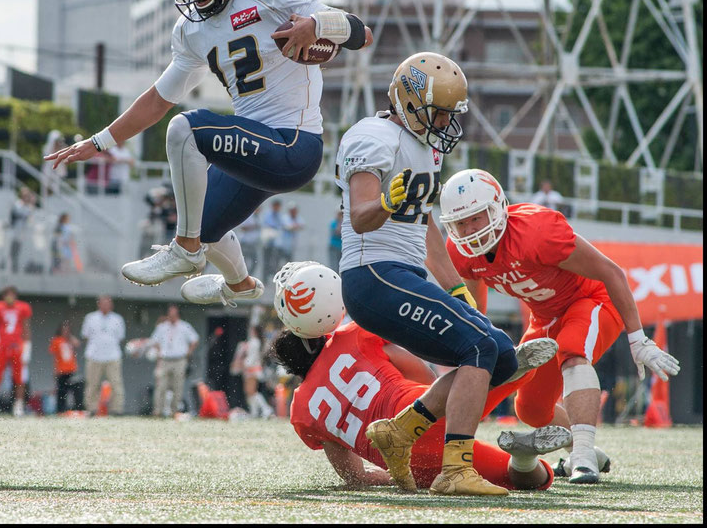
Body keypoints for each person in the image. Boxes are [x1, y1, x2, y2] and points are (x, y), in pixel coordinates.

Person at [45, 0, 373, 308]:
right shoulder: (191, 31)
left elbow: (361, 34)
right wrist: (98, 142)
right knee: (204, 221)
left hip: (295, 144)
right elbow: (157, 99)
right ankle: (237, 283)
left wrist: (315, 24)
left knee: (187, 129)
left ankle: (184, 250)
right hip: (255, 146)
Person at [333, 52, 559, 496]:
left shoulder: (425, 146)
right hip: (371, 275)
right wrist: (384, 204)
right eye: (438, 112)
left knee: (501, 354)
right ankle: (456, 469)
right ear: (410, 102)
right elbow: (360, 217)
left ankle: (399, 433)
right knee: (476, 345)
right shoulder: (373, 136)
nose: (444, 122)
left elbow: (424, 225)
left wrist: (453, 283)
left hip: (402, 272)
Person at [439, 168, 681, 484]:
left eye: (477, 217)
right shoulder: (459, 252)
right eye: (461, 222)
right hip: (545, 317)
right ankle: (586, 449)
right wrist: (479, 340)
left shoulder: (535, 230)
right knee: (530, 407)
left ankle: (581, 458)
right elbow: (475, 297)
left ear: (496, 208)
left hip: (592, 298)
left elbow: (611, 272)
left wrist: (638, 339)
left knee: (573, 351)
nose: (470, 229)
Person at [272, 320, 568, 492]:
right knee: (475, 376)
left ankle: (523, 459)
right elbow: (421, 372)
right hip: (416, 411)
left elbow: (355, 477)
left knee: (520, 480)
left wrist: (392, 476)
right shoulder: (349, 337)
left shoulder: (302, 411)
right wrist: (436, 397)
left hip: (412, 462)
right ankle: (508, 373)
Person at [0, 286, 32, 417]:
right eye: (7, 294)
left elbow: (26, 327)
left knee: (19, 378)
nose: (10, 297)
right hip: (2, 347)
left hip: (17, 346)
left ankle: (19, 405)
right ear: (3, 296)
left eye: (12, 294)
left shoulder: (23, 307)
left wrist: (27, 346)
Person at [147, 304, 199, 417]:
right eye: (170, 314)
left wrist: (188, 352)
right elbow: (154, 341)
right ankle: (158, 411)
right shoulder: (162, 327)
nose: (172, 316)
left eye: (174, 314)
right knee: (161, 386)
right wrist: (159, 353)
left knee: (178, 386)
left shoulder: (185, 326)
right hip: (165, 360)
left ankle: (174, 411)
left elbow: (195, 340)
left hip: (179, 360)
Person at [81, 296, 126, 416]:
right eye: (103, 303)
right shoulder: (90, 318)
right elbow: (85, 336)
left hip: (113, 356)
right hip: (94, 356)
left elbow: (120, 337)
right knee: (92, 384)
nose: (105, 305)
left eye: (108, 303)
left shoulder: (118, 319)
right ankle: (92, 409)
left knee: (116, 384)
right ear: (98, 304)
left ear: (111, 305)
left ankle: (116, 410)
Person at [230, 324, 273, 418]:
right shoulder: (255, 342)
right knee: (249, 393)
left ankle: (266, 409)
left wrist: (244, 364)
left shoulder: (254, 342)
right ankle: (255, 412)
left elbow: (251, 358)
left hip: (252, 370)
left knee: (251, 392)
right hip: (250, 369)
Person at [49, 321, 84, 413]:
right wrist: (55, 371)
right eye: (64, 329)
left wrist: (70, 336)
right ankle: (60, 410)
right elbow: (54, 357)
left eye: (67, 330)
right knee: (61, 392)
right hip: (61, 371)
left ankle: (78, 409)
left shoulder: (70, 340)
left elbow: (78, 344)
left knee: (76, 391)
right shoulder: (56, 340)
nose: (66, 331)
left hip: (71, 370)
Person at [9, 185, 37, 273]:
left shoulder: (28, 206)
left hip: (25, 233)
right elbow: (21, 214)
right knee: (15, 252)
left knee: (23, 252)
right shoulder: (18, 204)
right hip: (17, 232)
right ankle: (14, 269)